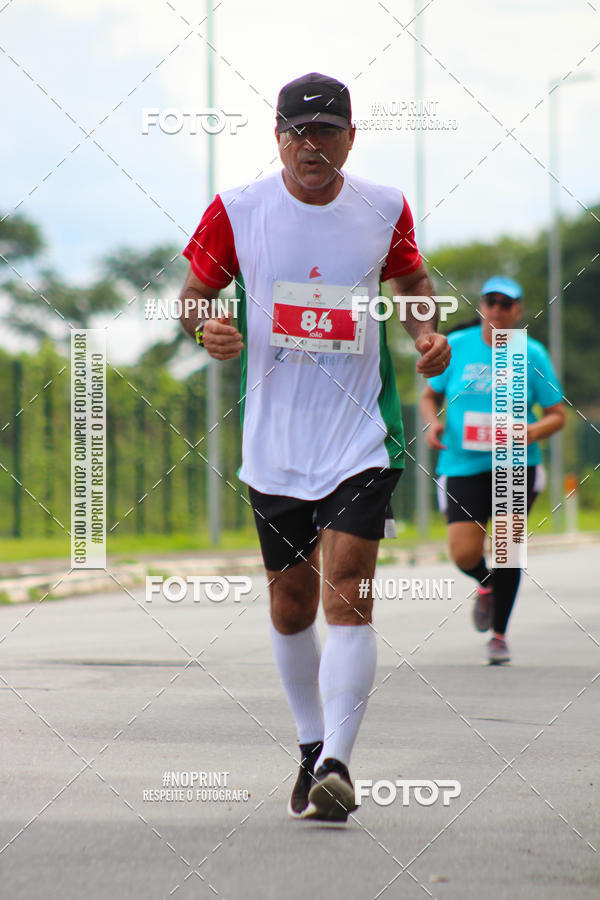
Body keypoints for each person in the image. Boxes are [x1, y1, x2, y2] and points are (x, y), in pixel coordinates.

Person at [179, 72, 450, 821]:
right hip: (274, 444)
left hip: (359, 436)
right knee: (292, 605)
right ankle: (309, 745)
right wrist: (204, 328)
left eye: (327, 130)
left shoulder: (383, 206)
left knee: (350, 590)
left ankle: (338, 761)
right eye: (298, 132)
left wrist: (426, 334)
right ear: (276, 139)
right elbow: (193, 297)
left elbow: (413, 282)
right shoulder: (238, 210)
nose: (312, 145)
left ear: (350, 139)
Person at [420, 275, 565, 664]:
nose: (498, 310)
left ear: (517, 310)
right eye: (491, 302)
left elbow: (558, 415)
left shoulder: (531, 354)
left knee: (507, 551)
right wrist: (433, 423)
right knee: (464, 552)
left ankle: (499, 635)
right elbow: (429, 395)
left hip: (515, 465)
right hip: (463, 463)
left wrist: (531, 431)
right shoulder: (458, 347)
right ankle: (484, 585)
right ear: (481, 307)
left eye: (506, 303)